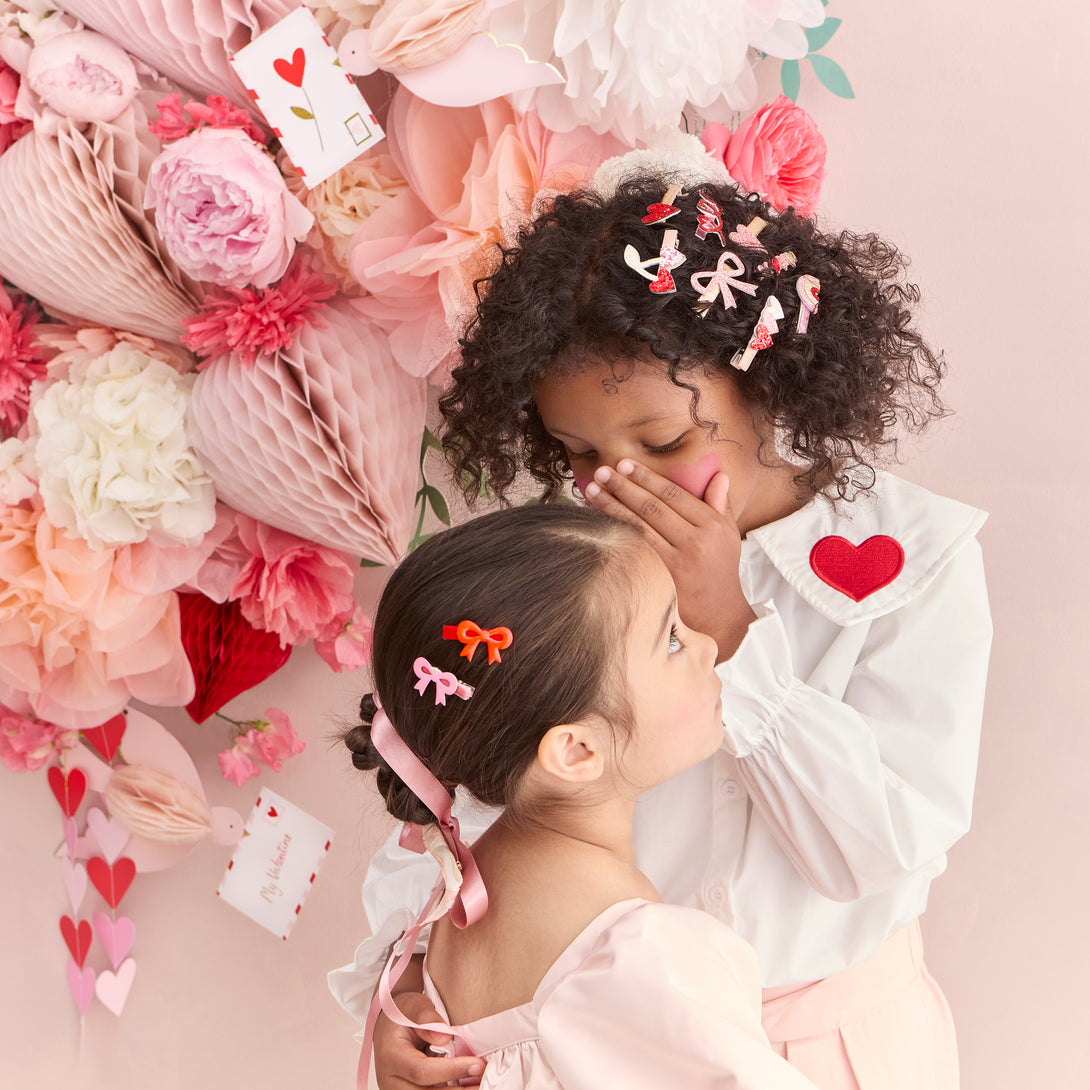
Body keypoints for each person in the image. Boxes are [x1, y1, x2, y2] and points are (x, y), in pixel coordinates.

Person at [332, 176, 992, 1089]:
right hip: (609, 1051)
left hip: (832, 1051)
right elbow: (476, 785)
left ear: (767, 382)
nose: (618, 484)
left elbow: (871, 856)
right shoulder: (580, 571)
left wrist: (733, 633)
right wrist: (403, 984)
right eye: (581, 455)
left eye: (667, 441)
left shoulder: (918, 561)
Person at [335, 503, 819, 1090]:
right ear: (576, 751)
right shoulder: (647, 956)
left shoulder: (451, 902)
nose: (708, 646)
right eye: (671, 638)